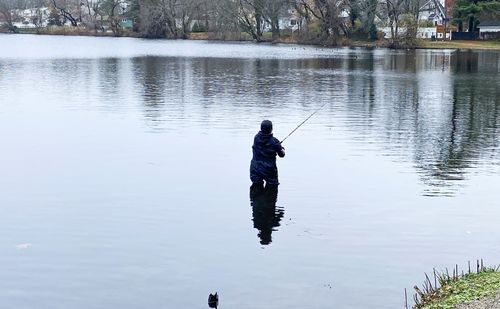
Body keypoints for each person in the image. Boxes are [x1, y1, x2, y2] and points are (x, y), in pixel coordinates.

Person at [250, 120, 285, 188]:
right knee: (272, 189)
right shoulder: (275, 142)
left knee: (255, 189)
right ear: (271, 129)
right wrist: (282, 148)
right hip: (269, 170)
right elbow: (282, 155)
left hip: (255, 168)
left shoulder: (256, 138)